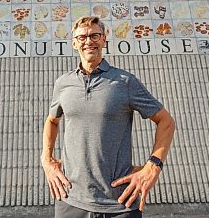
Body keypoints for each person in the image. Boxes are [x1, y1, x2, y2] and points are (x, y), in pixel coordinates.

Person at [41, 16, 175, 218]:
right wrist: (46, 159)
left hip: (119, 203)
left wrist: (153, 167)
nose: (89, 41)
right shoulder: (63, 83)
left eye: (95, 35)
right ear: (74, 42)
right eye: (82, 37)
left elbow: (166, 121)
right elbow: (52, 121)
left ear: (104, 39)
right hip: (70, 200)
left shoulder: (124, 82)